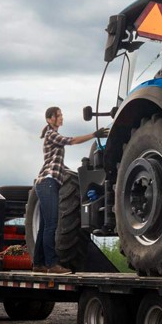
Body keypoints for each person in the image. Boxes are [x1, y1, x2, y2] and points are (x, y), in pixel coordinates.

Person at [34, 106, 105, 274]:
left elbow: (56, 162)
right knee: (52, 224)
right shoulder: (52, 134)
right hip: (47, 182)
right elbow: (71, 141)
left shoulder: (51, 135)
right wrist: (94, 135)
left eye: (61, 115)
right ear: (50, 119)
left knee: (45, 225)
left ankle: (38, 263)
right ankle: (52, 264)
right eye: (58, 116)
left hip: (49, 182)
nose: (61, 118)